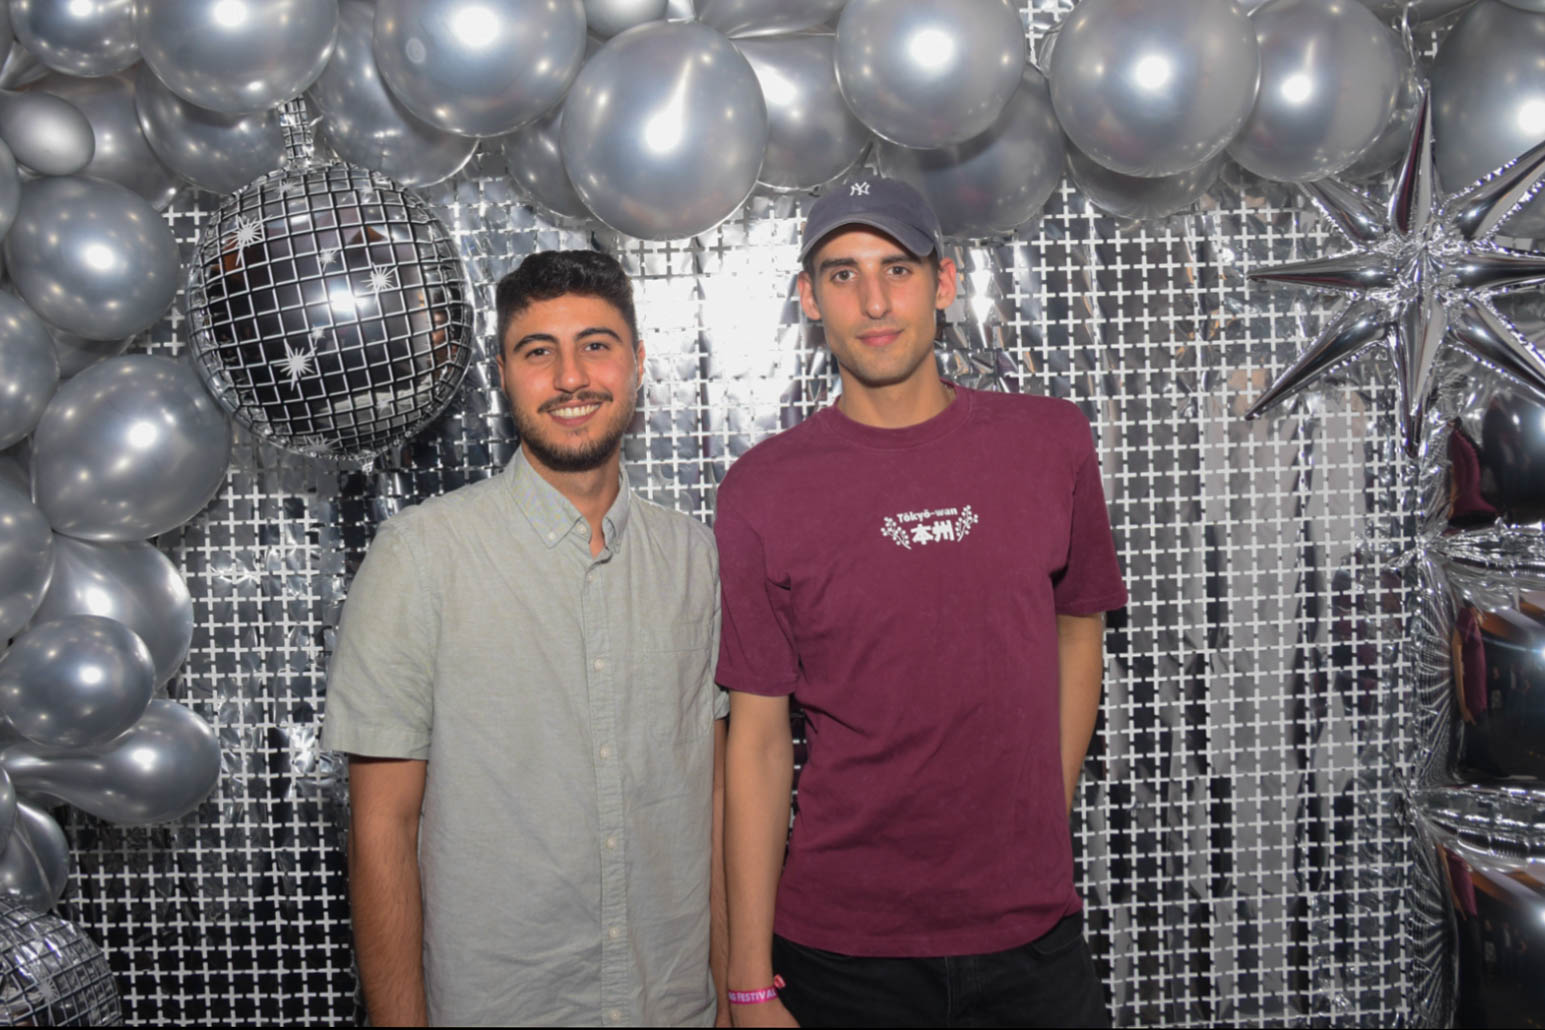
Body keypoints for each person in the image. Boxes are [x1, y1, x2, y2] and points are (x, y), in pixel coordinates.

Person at [716, 177, 1127, 1028]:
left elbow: (1077, 632)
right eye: (842, 274)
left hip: (1031, 938)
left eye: (896, 269)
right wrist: (748, 982)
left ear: (943, 283)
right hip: (841, 951)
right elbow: (755, 738)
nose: (873, 301)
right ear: (809, 299)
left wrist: (1036, 819)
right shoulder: (761, 489)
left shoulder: (1050, 441)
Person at [323, 249, 729, 1026]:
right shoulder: (420, 556)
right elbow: (381, 828)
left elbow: (711, 805)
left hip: (672, 1006)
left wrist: (735, 1000)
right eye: (538, 352)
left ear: (638, 363)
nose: (571, 378)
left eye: (596, 346)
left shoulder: (694, 559)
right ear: (503, 377)